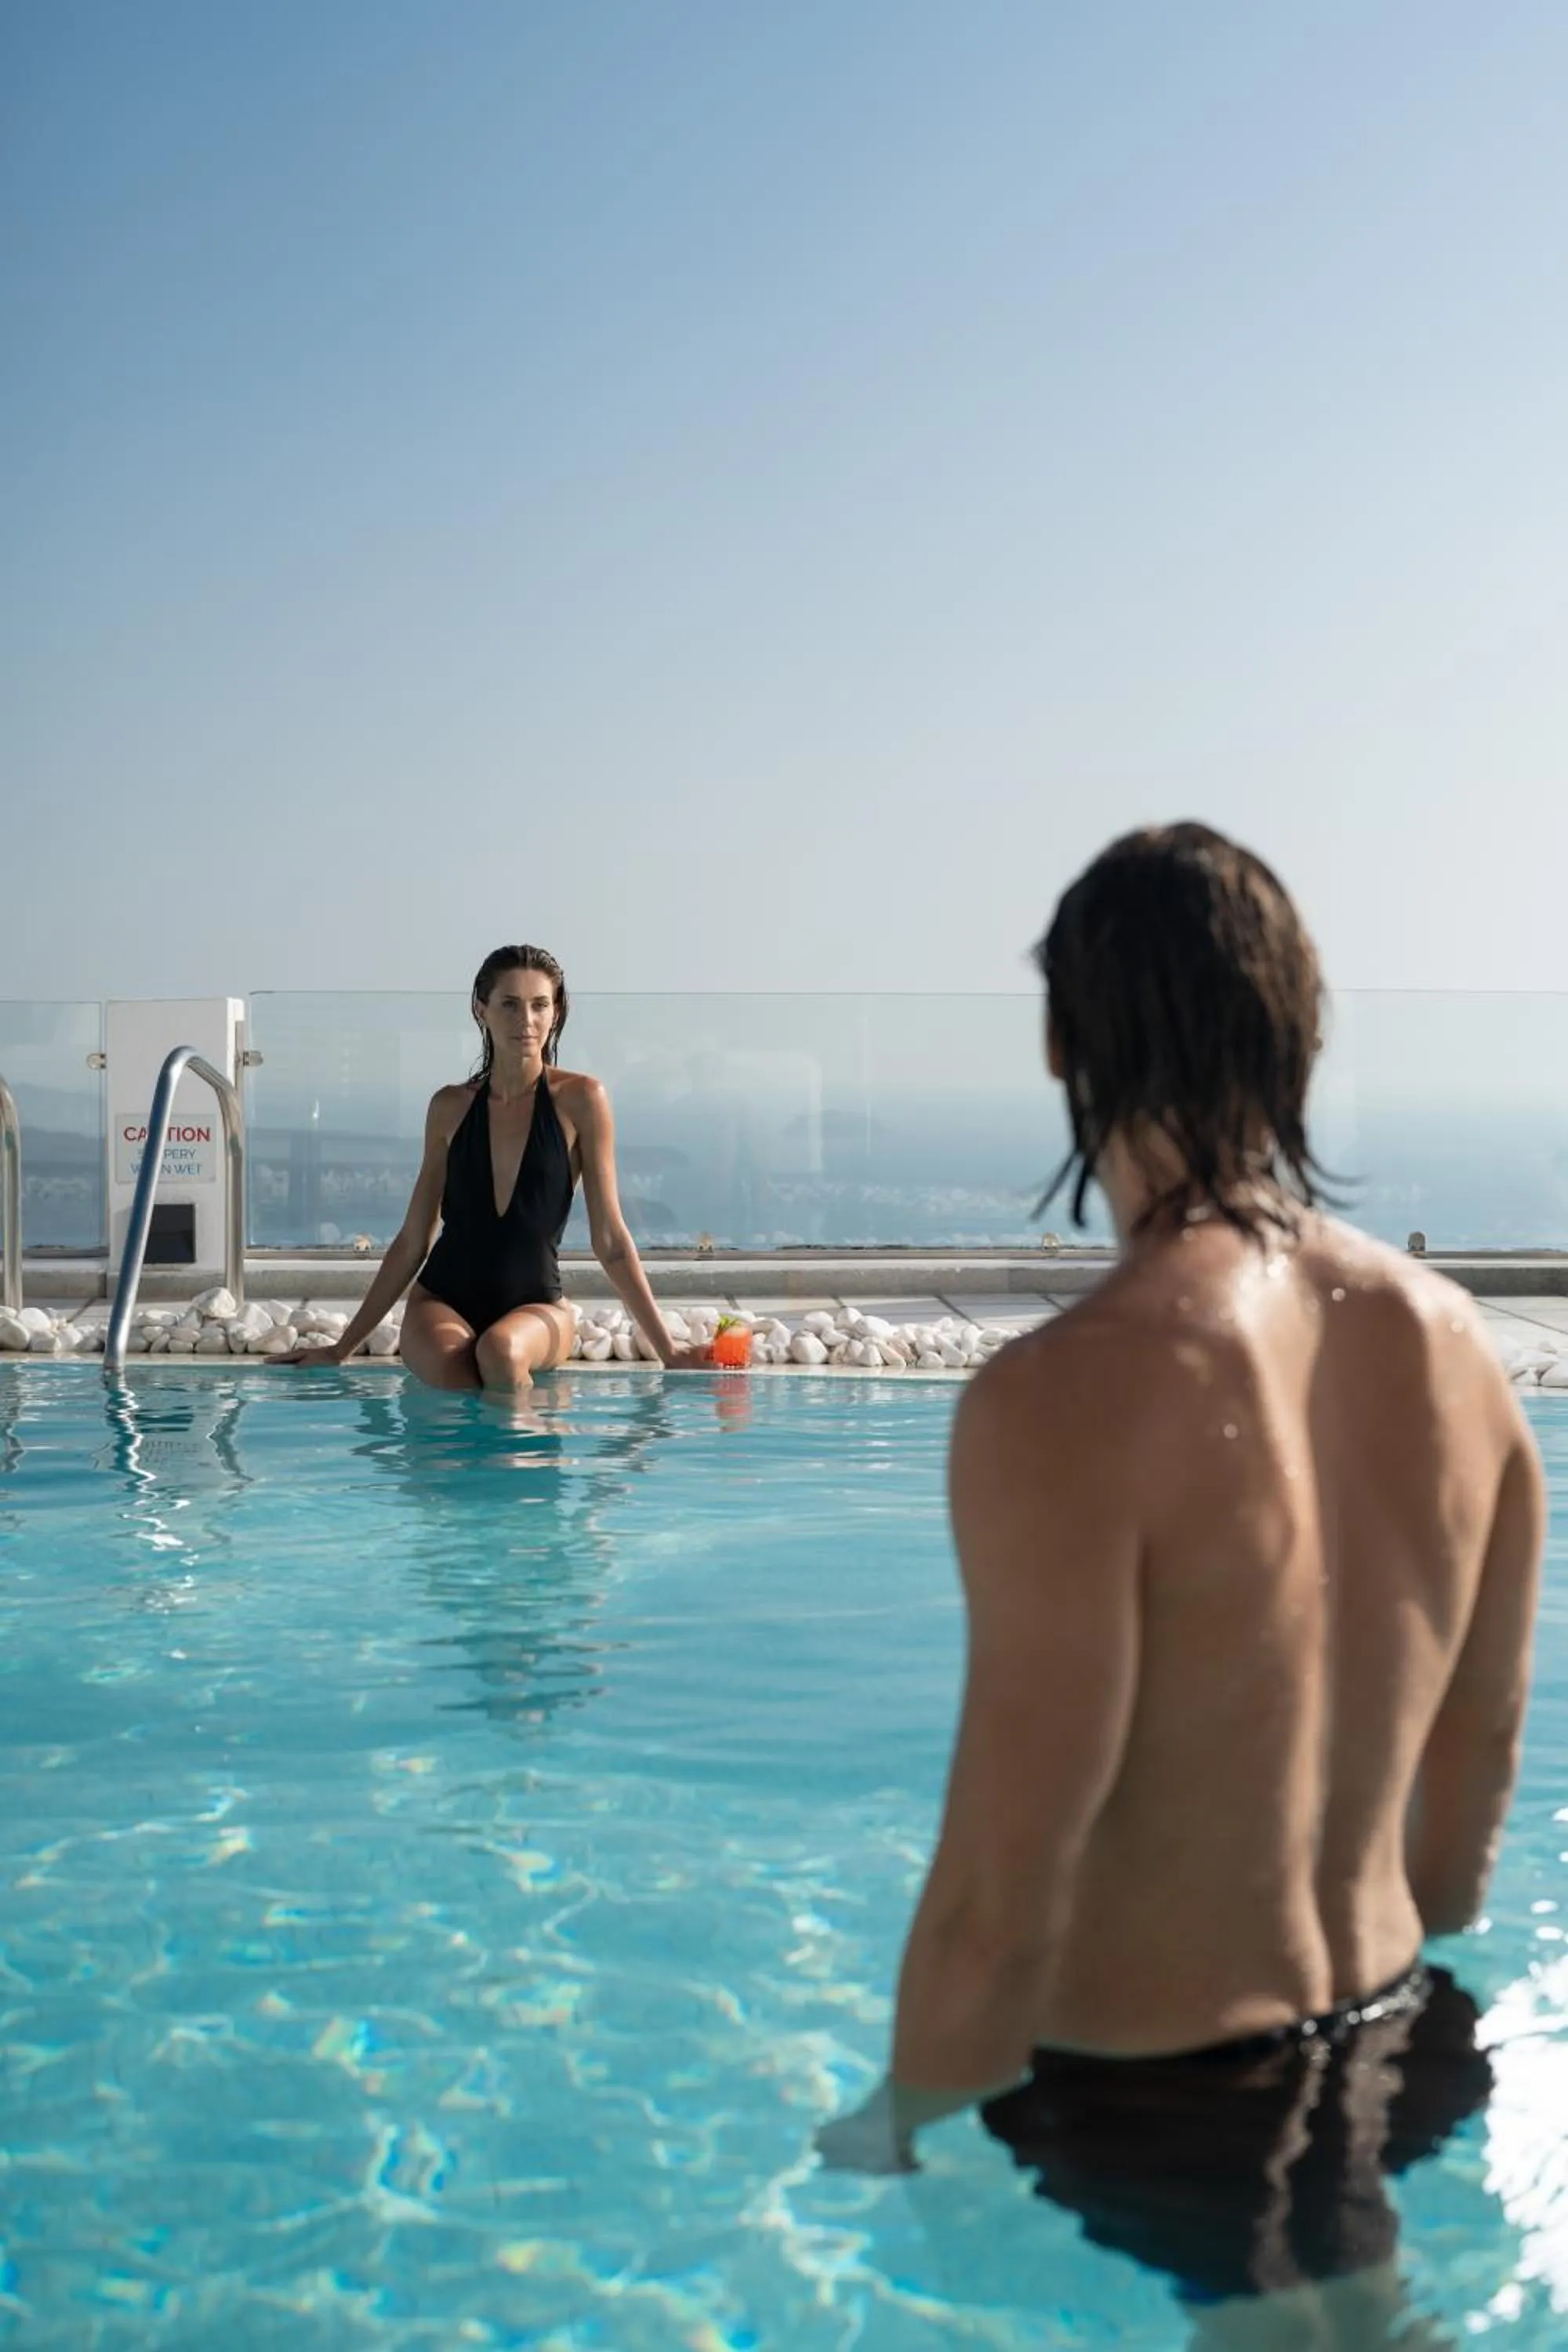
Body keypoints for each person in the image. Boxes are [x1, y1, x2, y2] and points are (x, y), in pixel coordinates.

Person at [818, 825, 1543, 2318]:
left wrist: (899, 2130)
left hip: (1164, 2103)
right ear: (1302, 1035)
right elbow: (1472, 1790)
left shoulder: (1068, 1396)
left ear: (1059, 1039)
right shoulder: (1467, 1355)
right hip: (1405, 2038)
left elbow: (996, 1898)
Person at [280, 945, 706, 1388]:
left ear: (556, 1013)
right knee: (453, 1372)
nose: (526, 1020)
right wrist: (339, 1349)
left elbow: (611, 1240)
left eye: (540, 1005)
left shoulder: (582, 1100)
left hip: (538, 1307)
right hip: (442, 1299)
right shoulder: (449, 1107)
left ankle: (531, 1443)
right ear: (481, 1010)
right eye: (509, 1004)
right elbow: (412, 1240)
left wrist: (669, 1352)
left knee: (500, 1351)